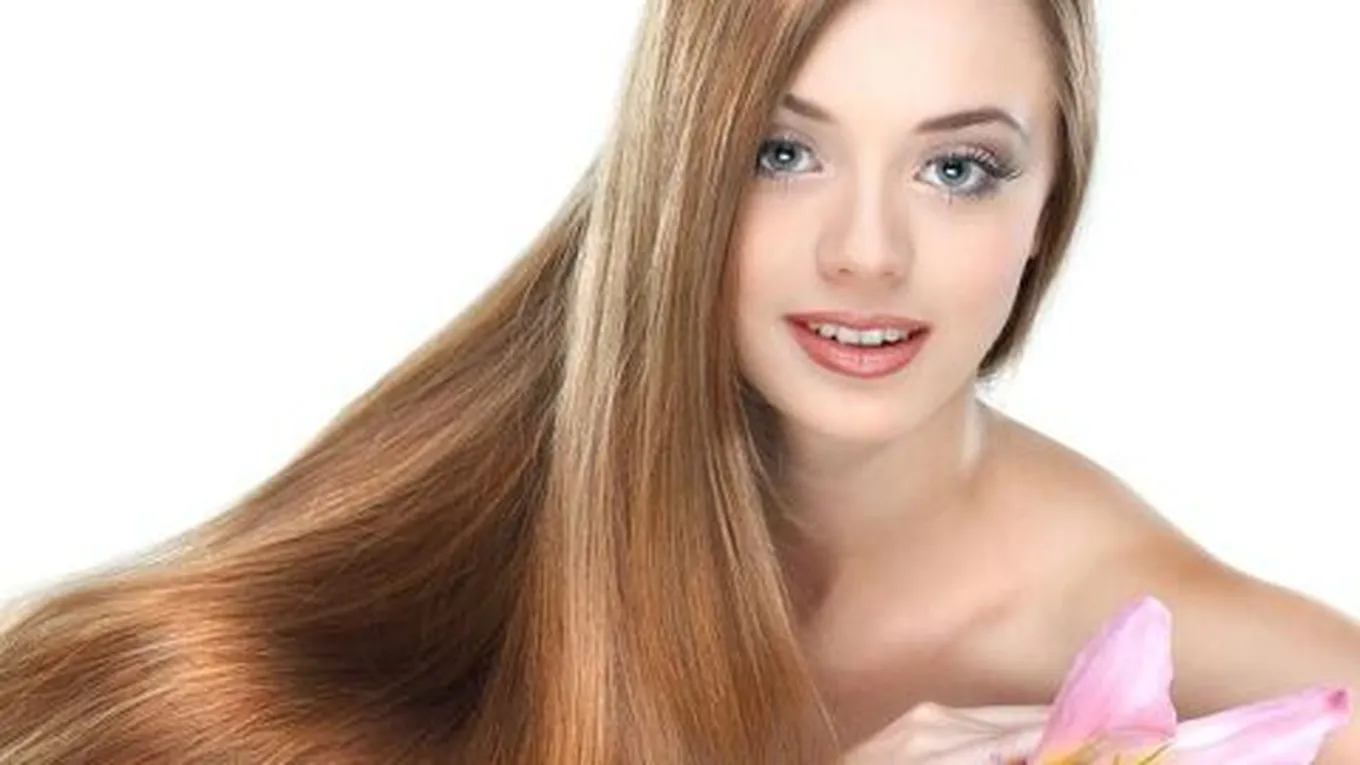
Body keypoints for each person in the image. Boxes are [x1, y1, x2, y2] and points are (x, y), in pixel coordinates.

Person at [0, 0, 1356, 762]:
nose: (867, 252)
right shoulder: (476, 508)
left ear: (1050, 205)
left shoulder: (1252, 679)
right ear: (680, 169)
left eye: (958, 168)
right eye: (784, 153)